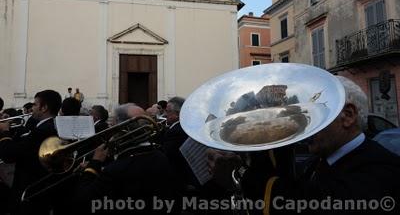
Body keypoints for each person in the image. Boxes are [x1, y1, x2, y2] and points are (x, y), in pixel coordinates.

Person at [207, 76, 400, 215]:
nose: (306, 126)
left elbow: (303, 204)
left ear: (347, 116)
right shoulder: (318, 161)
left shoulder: (383, 171)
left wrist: (239, 177)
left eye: (315, 116)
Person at [73, 104, 179, 214]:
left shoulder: (116, 170)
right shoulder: (160, 156)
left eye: (113, 124)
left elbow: (83, 201)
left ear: (121, 127)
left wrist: (94, 165)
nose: (111, 127)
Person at [0, 89, 62, 215]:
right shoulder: (49, 126)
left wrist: (5, 132)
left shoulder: (42, 131)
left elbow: (9, 155)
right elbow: (26, 141)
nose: (32, 107)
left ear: (44, 108)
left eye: (35, 104)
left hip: (29, 192)